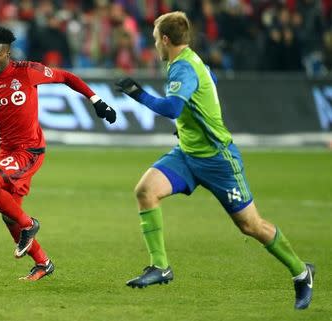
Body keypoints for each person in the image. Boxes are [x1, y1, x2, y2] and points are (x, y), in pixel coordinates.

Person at [115, 11, 314, 310]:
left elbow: (171, 107)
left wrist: (136, 93)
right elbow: (206, 89)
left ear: (165, 39)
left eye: (156, 39)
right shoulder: (191, 62)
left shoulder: (183, 68)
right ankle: (160, 267)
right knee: (146, 190)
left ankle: (301, 273)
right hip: (187, 154)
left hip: (218, 159)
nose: (155, 44)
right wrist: (191, 124)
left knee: (251, 226)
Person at [0, 26, 116, 281]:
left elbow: (66, 77)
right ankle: (43, 263)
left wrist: (97, 101)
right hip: (7, 151)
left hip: (30, 149)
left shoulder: (27, 72)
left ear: (8, 53)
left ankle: (29, 224)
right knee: (8, 215)